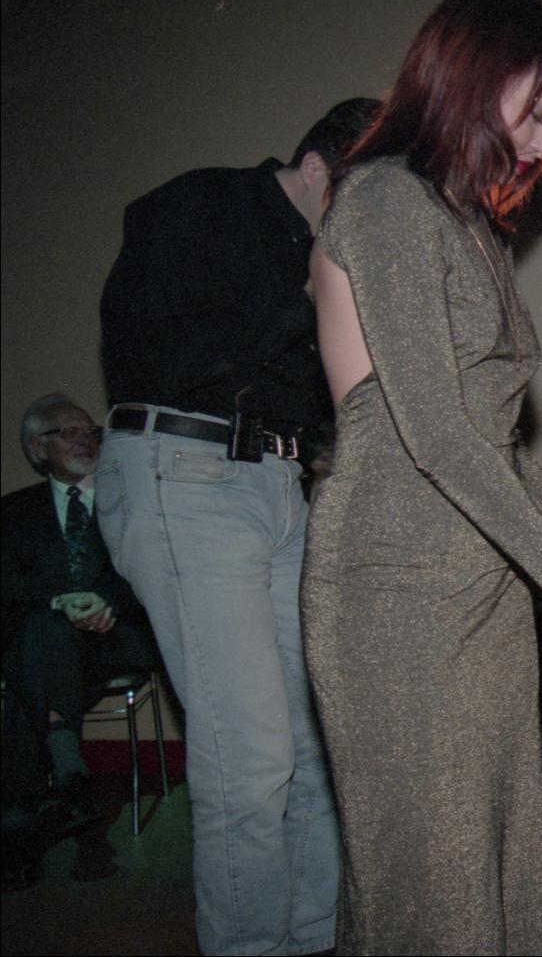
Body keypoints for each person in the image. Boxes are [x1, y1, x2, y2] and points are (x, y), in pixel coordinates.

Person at [301, 0, 542, 953]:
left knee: (497, 870)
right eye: (540, 112)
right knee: (431, 891)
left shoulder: (466, 222)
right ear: (478, 74)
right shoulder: (384, 198)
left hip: (479, 588)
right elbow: (433, 432)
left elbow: (499, 452)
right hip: (395, 589)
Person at [97, 96, 377, 953]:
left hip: (276, 484)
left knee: (312, 745)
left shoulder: (319, 256)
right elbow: (171, 344)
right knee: (248, 756)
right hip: (185, 471)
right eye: (364, 196)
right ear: (319, 168)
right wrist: (320, 294)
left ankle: (314, 937)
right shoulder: (204, 203)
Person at [3, 395, 158, 890]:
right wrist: (59, 602)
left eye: (90, 431)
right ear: (36, 448)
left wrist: (107, 603)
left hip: (116, 639)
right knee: (43, 635)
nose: (85, 440)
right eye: (67, 432)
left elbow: (155, 573)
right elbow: (6, 588)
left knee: (28, 681)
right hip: (51, 647)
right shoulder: (13, 512)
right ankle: (69, 786)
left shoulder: (128, 500)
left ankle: (23, 820)